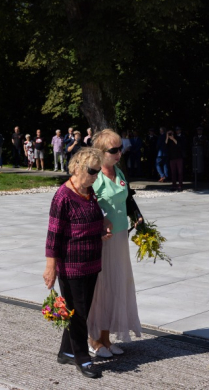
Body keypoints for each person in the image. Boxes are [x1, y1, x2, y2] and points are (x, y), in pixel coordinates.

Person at [43, 147, 111, 379]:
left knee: (78, 310)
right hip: (72, 265)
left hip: (91, 261)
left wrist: (103, 225)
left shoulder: (89, 191)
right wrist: (50, 267)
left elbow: (93, 217)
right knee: (78, 313)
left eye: (98, 171)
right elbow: (53, 235)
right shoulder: (63, 196)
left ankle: (66, 351)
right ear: (79, 168)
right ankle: (82, 357)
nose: (96, 176)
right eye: (92, 171)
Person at [88, 129, 142, 357]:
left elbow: (127, 197)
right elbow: (86, 203)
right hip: (100, 240)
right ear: (100, 152)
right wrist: (100, 220)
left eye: (121, 148)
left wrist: (137, 215)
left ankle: (107, 339)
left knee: (116, 286)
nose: (119, 153)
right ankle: (93, 340)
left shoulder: (118, 171)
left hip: (119, 238)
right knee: (100, 287)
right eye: (114, 150)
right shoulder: (93, 175)